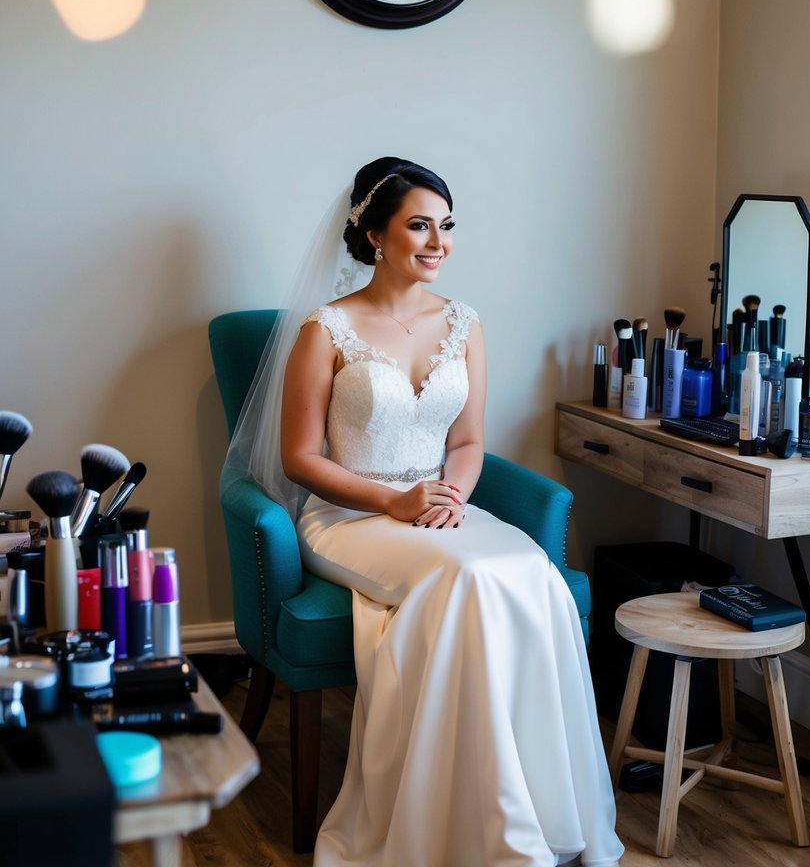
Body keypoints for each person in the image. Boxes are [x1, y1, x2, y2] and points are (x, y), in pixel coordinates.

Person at [224, 156, 623, 867]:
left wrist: (451, 497)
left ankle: (532, 809)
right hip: (348, 517)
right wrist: (392, 500)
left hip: (439, 506)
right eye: (418, 225)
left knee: (532, 570)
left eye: (446, 226)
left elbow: (468, 440)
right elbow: (298, 459)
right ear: (374, 234)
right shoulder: (326, 329)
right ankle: (467, 830)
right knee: (465, 583)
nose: (437, 242)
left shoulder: (463, 323)